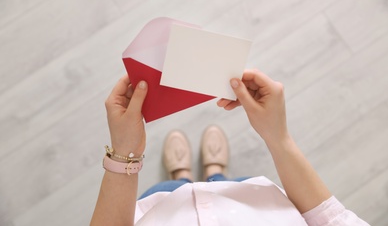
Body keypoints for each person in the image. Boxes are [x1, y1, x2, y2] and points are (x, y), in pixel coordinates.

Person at [91, 69, 369, 226]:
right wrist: (278, 138)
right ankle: (216, 172)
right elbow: (332, 220)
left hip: (160, 207)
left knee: (168, 190)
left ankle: (181, 176)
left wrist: (123, 155)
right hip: (251, 199)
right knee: (230, 184)